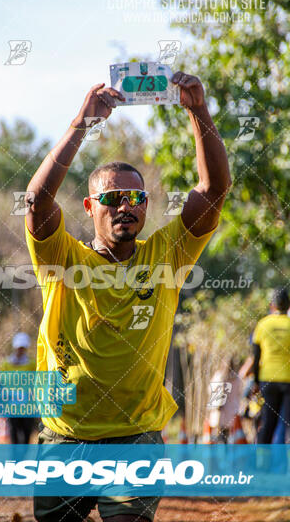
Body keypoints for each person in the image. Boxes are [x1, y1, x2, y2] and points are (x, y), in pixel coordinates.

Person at [24, 74, 231, 522]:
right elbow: (37, 201)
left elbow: (213, 190)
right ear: (89, 206)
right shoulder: (61, 257)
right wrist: (81, 123)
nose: (126, 206)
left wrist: (199, 112)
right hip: (65, 437)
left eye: (136, 197)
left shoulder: (168, 255)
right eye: (113, 197)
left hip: (136, 438)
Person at [252, 287, 290, 444]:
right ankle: (281, 464)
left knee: (268, 422)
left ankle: (262, 464)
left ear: (272, 305)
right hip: (288, 380)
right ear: (288, 305)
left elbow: (256, 356)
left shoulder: (263, 324)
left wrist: (255, 381)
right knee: (286, 423)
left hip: (267, 378)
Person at [0, 332, 36, 444]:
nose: (20, 350)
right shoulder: (6, 364)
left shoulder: (32, 364)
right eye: (19, 347)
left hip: (28, 405)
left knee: (26, 432)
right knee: (13, 432)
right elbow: (1, 383)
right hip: (12, 405)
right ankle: (15, 457)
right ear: (15, 347)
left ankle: (23, 457)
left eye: (23, 347)